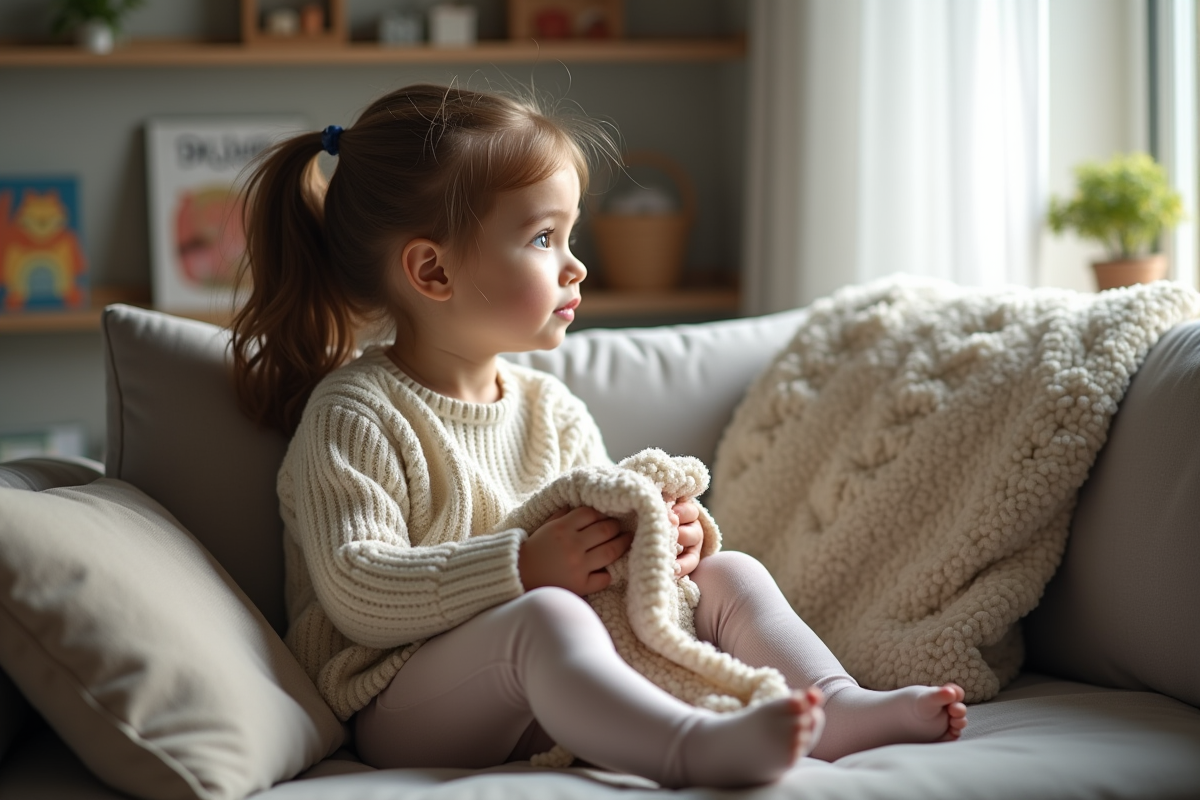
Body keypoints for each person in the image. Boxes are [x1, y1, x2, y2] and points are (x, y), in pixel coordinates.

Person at [230, 83, 968, 789]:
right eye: (544, 237)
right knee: (544, 616)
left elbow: (603, 537)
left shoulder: (550, 408)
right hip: (399, 702)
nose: (576, 264)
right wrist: (524, 566)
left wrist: (666, 540)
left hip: (548, 687)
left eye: (569, 234)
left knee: (730, 574)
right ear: (433, 271)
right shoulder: (357, 412)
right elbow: (359, 587)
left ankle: (833, 706)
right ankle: (685, 747)